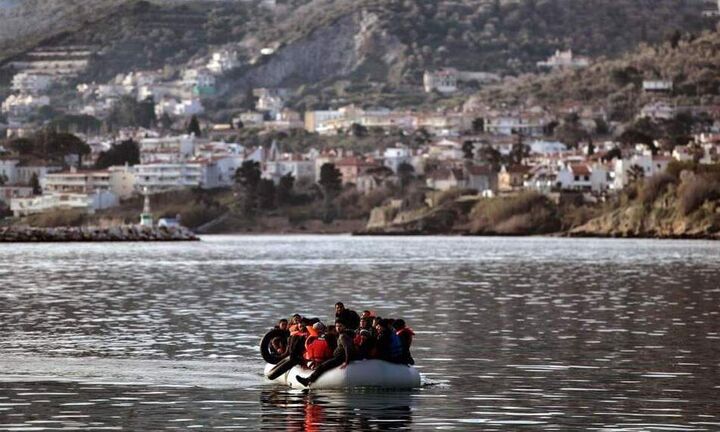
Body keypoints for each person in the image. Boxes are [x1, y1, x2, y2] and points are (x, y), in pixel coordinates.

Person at [296, 320, 356, 387]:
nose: (338, 328)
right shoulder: (341, 335)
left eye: (340, 326)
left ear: (344, 327)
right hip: (338, 357)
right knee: (322, 366)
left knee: (322, 367)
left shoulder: (343, 336)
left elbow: (347, 348)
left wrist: (346, 362)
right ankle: (308, 380)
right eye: (337, 326)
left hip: (340, 358)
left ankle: (307, 381)